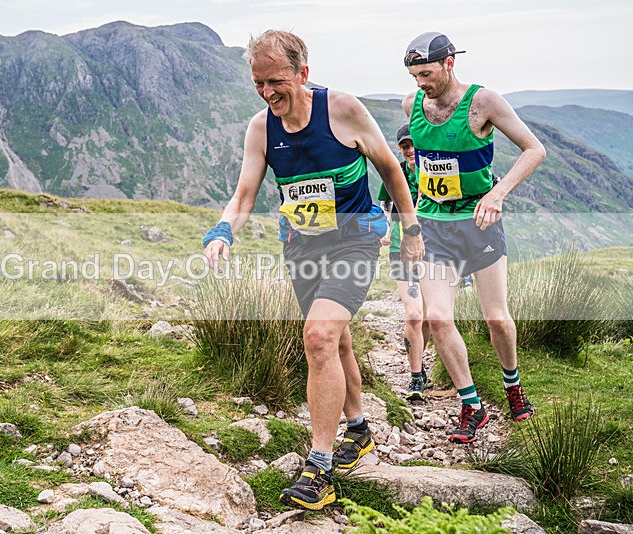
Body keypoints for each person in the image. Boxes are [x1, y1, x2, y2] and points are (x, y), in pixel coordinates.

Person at [202, 30, 424, 510]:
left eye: (276, 80)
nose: (267, 92)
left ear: (303, 73)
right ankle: (359, 429)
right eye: (258, 83)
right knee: (336, 341)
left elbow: (390, 168)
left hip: (355, 239)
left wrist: (411, 230)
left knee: (319, 336)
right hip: (302, 247)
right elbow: (244, 194)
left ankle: (319, 468)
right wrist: (222, 231)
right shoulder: (261, 128)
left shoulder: (343, 110)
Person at [401, 32, 546, 443]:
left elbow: (534, 150)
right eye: (414, 76)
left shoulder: (483, 102)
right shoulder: (412, 105)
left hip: (478, 222)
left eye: (426, 73)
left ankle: (512, 384)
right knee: (437, 317)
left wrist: (498, 194)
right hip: (433, 224)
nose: (421, 83)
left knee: (496, 318)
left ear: (449, 63)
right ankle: (471, 405)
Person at [377, 124, 432, 401]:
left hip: (434, 250)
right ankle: (416, 376)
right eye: (404, 146)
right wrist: (384, 231)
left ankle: (418, 356)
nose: (410, 150)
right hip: (401, 249)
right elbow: (385, 207)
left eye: (413, 144)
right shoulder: (395, 173)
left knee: (431, 318)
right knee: (414, 314)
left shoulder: (434, 170)